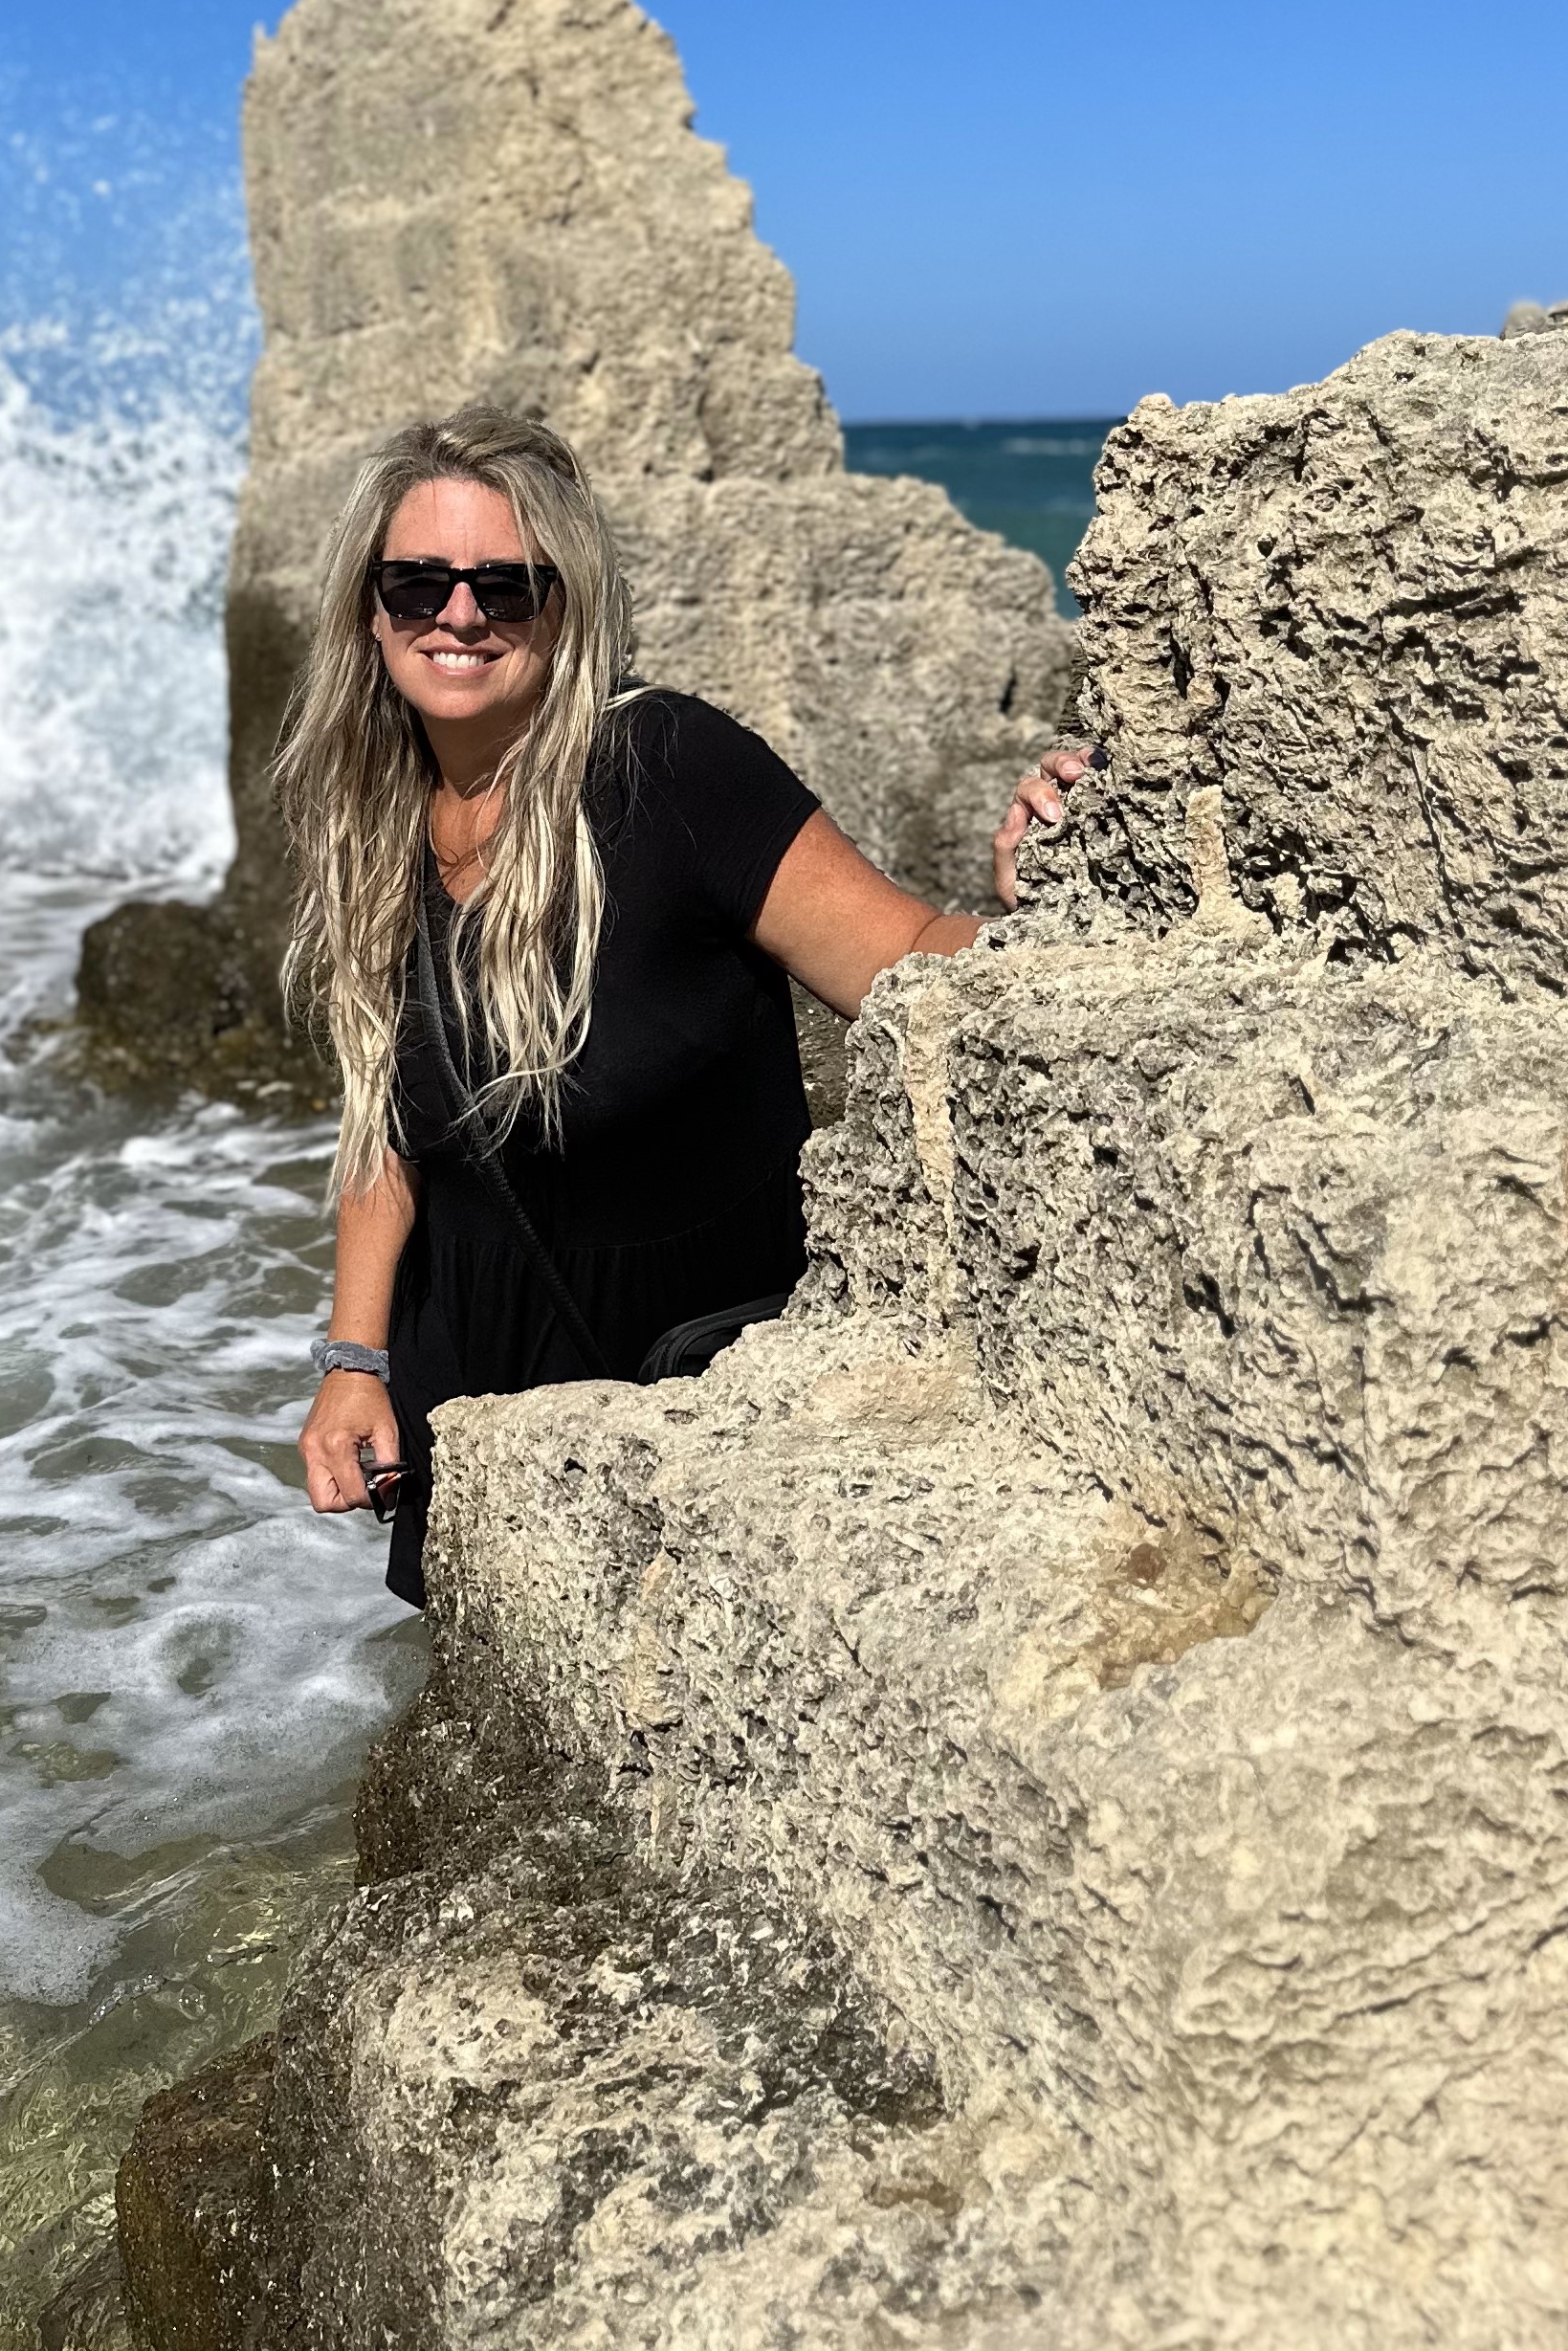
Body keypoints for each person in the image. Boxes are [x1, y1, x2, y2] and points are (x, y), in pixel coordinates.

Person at [285, 404, 1088, 1605]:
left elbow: (913, 961)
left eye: (507, 589)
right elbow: (388, 1130)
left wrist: (1055, 903)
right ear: (370, 607)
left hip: (692, 1393)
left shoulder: (672, 772)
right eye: (419, 584)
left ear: (567, 609)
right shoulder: (369, 814)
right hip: (473, 1389)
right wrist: (354, 1361)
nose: (459, 617)